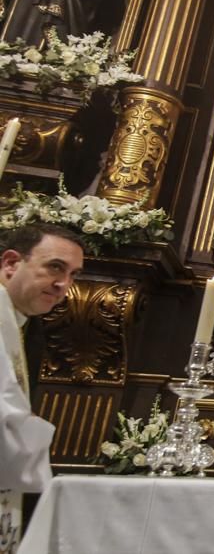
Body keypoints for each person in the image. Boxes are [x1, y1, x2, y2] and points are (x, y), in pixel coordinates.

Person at [0, 223, 84, 553]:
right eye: (55, 267)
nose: (64, 284)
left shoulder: (17, 322)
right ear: (11, 263)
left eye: (73, 274)